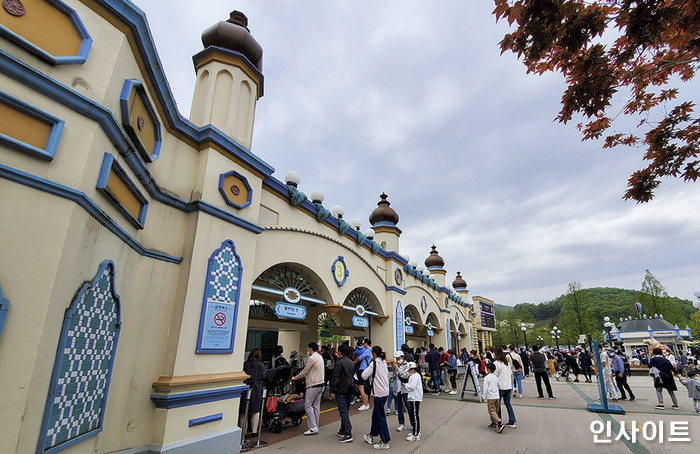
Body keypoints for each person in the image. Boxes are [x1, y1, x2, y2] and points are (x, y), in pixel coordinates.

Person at [290, 342, 325, 435]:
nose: (307, 350)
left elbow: (304, 371)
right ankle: (315, 425)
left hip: (313, 384)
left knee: (308, 405)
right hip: (321, 383)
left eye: (308, 348)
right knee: (316, 406)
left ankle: (313, 427)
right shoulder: (319, 356)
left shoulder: (311, 358)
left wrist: (294, 378)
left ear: (310, 349)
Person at [362, 345, 391, 450]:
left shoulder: (373, 363)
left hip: (378, 393)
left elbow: (364, 375)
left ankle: (385, 441)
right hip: (385, 392)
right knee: (376, 415)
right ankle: (371, 435)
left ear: (374, 354)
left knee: (380, 417)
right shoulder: (383, 363)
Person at [330, 343, 355, 443]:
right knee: (346, 410)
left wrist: (332, 391)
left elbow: (335, 378)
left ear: (339, 352)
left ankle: (348, 433)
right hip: (350, 389)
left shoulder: (338, 363)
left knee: (343, 412)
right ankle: (342, 429)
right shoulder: (351, 362)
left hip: (341, 390)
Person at [239, 348, 267, 435]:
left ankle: (243, 431)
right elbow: (264, 376)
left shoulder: (245, 364)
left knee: (243, 411)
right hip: (257, 387)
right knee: (255, 411)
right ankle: (254, 431)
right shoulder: (261, 365)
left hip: (245, 386)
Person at [494, 347, 516, 428]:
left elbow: (495, 375)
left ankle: (499, 420)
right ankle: (512, 420)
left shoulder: (496, 363)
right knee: (508, 404)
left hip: (500, 387)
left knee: (498, 404)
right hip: (508, 386)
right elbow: (510, 374)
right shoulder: (506, 363)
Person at [483, 363, 506, 433]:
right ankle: (493, 423)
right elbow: (499, 385)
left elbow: (485, 388)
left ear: (489, 369)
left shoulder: (486, 378)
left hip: (491, 397)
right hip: (497, 396)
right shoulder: (495, 376)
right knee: (496, 410)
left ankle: (499, 423)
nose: (485, 370)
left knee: (492, 411)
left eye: (486, 368)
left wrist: (483, 396)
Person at [403, 361, 423, 441]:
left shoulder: (415, 376)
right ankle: (416, 431)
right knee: (415, 415)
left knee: (415, 416)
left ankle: (415, 434)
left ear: (412, 369)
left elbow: (412, 387)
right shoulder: (414, 376)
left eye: (409, 370)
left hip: (415, 397)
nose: (408, 372)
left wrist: (405, 385)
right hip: (413, 397)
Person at [391, 350, 410, 431]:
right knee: (399, 407)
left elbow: (406, 376)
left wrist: (397, 369)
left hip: (405, 389)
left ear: (402, 357)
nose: (398, 360)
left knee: (408, 406)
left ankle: (413, 423)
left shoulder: (407, 365)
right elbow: (394, 377)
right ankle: (401, 423)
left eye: (398, 358)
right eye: (396, 358)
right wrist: (394, 370)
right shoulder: (396, 366)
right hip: (397, 389)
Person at [354, 339, 373, 411]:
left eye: (363, 343)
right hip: (365, 369)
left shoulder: (367, 350)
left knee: (361, 387)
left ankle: (365, 404)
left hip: (362, 369)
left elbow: (359, 358)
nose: (363, 344)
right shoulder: (370, 350)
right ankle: (366, 402)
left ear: (366, 343)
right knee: (363, 386)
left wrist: (354, 361)